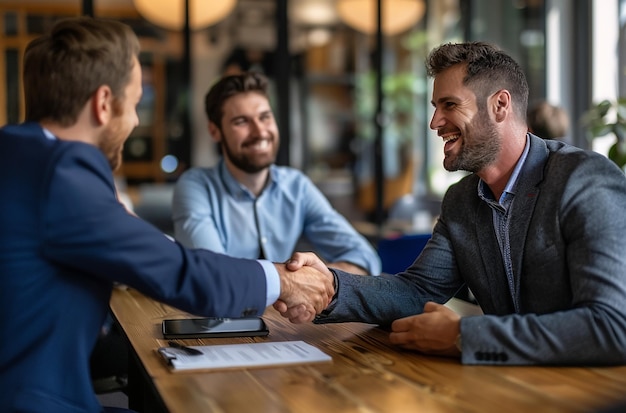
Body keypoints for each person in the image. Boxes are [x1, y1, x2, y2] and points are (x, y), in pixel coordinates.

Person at [0, 17, 333, 413]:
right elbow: (184, 275)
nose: (138, 120)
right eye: (136, 101)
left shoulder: (18, 155)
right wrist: (282, 280)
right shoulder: (61, 171)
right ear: (104, 104)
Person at [277, 41, 626, 366]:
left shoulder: (585, 180)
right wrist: (331, 288)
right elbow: (417, 292)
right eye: (435, 107)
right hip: (512, 387)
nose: (435, 123)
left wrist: (464, 335)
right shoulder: (462, 200)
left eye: (450, 105)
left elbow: (613, 326)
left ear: (500, 105)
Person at [172, 72, 381, 275]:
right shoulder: (195, 186)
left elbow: (365, 258)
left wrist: (317, 279)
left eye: (265, 117)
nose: (260, 131)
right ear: (214, 131)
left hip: (282, 310)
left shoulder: (296, 186)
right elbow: (213, 273)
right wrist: (292, 283)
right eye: (241, 121)